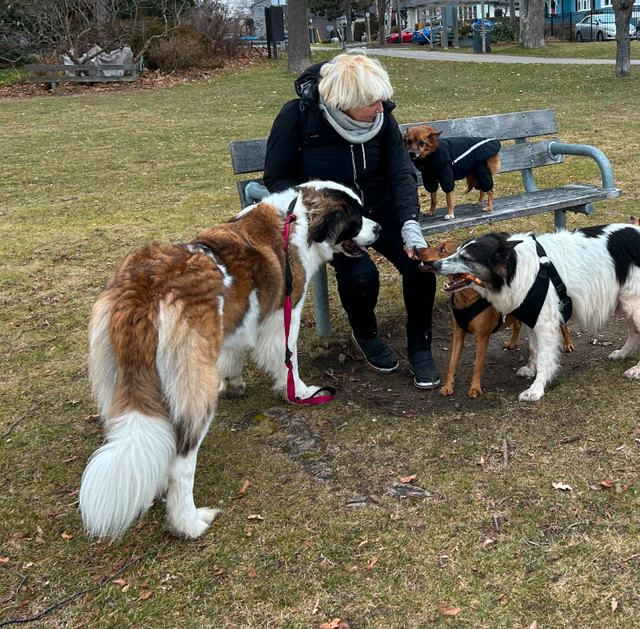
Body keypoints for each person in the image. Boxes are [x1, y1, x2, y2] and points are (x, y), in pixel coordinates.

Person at [263, 51, 439, 389]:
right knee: (361, 276)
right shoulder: (297, 117)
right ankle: (365, 333)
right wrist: (321, 213)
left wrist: (409, 224)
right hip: (337, 217)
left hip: (381, 207)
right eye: (372, 102)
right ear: (344, 101)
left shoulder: (382, 118)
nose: (381, 108)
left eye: (381, 100)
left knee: (420, 265)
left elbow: (402, 173)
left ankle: (421, 347)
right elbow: (276, 178)